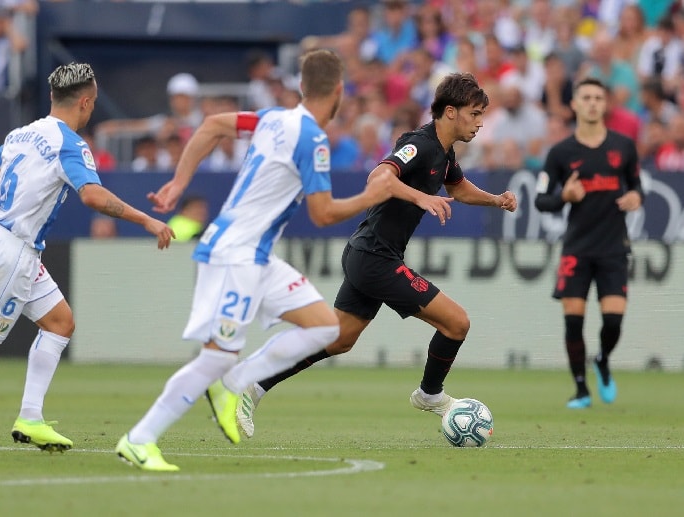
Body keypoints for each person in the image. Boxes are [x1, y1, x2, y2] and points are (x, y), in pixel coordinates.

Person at [114, 49, 394, 472]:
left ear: (301, 87)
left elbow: (211, 126)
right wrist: (372, 196)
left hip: (256, 256)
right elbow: (322, 214)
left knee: (324, 326)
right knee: (216, 356)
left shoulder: (273, 118)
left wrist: (178, 182)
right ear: (338, 92)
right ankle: (140, 438)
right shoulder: (312, 139)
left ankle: (235, 383)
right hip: (235, 254)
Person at [235, 72, 518, 440]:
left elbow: (459, 188)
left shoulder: (444, 153)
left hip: (368, 255)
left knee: (338, 340)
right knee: (457, 323)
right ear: (451, 111)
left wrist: (496, 200)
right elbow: (378, 178)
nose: (481, 122)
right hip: (375, 258)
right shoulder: (420, 144)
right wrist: (422, 197)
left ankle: (253, 384)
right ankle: (429, 395)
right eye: (475, 113)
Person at [0, 62, 174, 453]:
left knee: (60, 322)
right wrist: (146, 220)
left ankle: (30, 417)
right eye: (93, 105)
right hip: (11, 251)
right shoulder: (71, 144)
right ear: (85, 102)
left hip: (10, 244)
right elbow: (93, 196)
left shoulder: (20, 134)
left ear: (52, 97)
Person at [534, 77, 644, 409]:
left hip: (613, 247)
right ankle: (581, 389)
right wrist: (564, 196)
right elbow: (541, 199)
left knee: (613, 320)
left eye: (599, 97)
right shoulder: (560, 153)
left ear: (605, 104)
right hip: (577, 248)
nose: (594, 102)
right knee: (574, 320)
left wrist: (637, 196)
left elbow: (637, 185)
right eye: (587, 97)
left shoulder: (623, 147)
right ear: (575, 105)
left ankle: (602, 360)